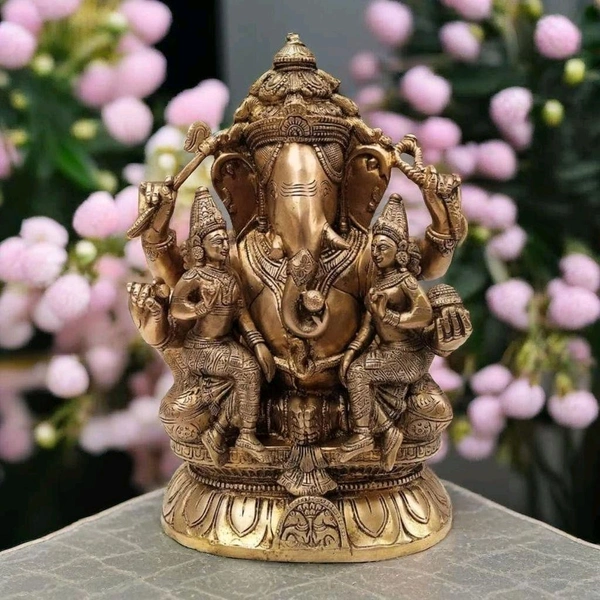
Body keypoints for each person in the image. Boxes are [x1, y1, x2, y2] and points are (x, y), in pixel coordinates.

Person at [170, 187, 275, 465]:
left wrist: (258, 343)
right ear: (200, 246)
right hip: (202, 347)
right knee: (247, 370)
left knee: (256, 370)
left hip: (224, 344)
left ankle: (218, 433)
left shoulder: (230, 277)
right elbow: (176, 308)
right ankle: (245, 435)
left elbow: (241, 314)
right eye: (215, 241)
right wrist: (199, 309)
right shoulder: (195, 276)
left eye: (224, 240)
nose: (223, 246)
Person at [339, 194, 434, 471]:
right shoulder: (377, 284)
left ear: (400, 250)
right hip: (386, 351)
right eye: (374, 248)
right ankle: (388, 432)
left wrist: (391, 316)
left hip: (408, 353)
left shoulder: (405, 281)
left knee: (359, 374)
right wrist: (351, 351)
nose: (377, 253)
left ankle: (364, 435)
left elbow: (424, 313)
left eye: (383, 247)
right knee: (351, 372)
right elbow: (369, 327)